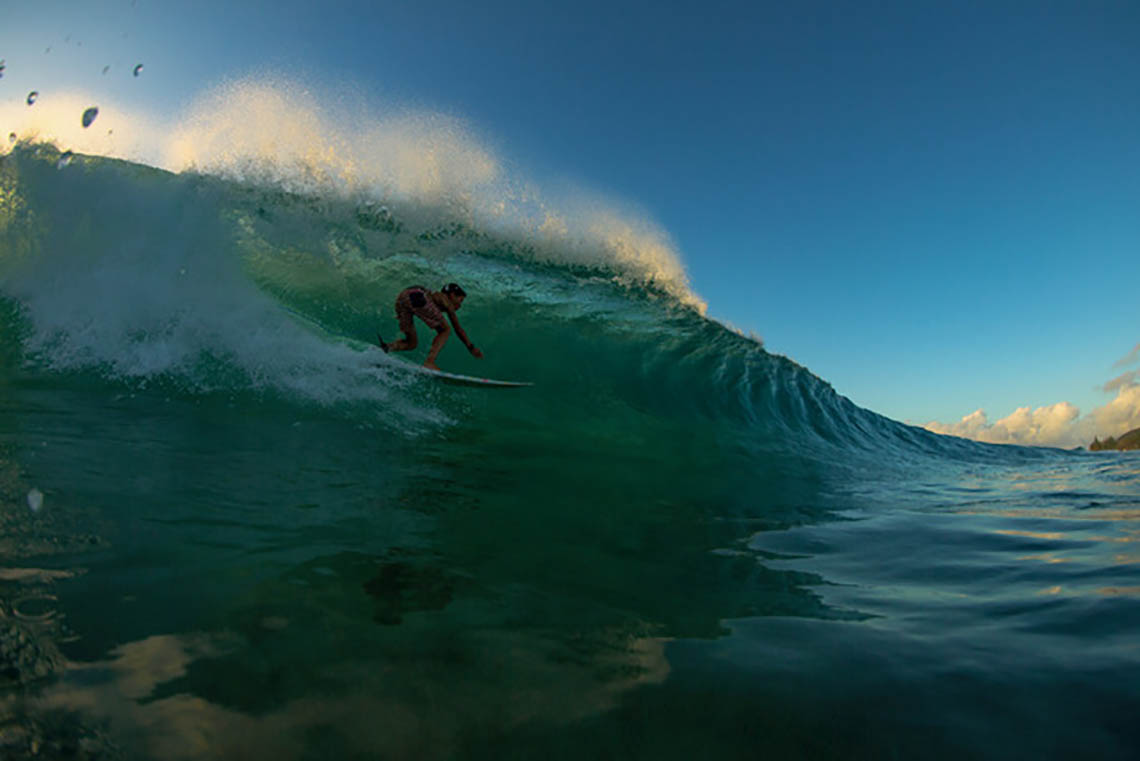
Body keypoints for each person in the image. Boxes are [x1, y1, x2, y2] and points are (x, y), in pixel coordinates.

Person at [378, 283, 484, 371]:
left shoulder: (434, 296)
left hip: (403, 297)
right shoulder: (446, 300)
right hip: (418, 297)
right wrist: (470, 347)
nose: (460, 306)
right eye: (460, 300)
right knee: (445, 330)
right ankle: (429, 362)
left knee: (411, 343)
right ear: (452, 295)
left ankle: (386, 348)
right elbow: (458, 328)